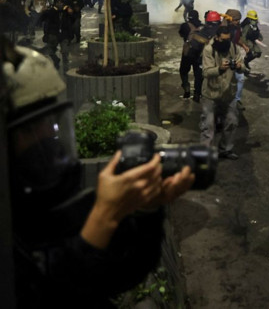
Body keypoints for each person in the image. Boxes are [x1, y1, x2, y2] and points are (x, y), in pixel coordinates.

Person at [2, 40, 194, 306]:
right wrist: (102, 219)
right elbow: (48, 289)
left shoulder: (38, 208)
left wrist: (146, 214)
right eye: (29, 130)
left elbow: (116, 275)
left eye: (50, 122)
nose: (49, 136)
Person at [200, 25, 246, 160]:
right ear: (217, 38)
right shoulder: (209, 49)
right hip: (211, 93)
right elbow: (206, 72)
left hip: (228, 92)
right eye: (223, 40)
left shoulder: (232, 47)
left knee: (232, 122)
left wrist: (239, 67)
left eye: (228, 40)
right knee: (208, 126)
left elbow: (242, 67)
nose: (226, 43)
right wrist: (219, 69)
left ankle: (225, 149)